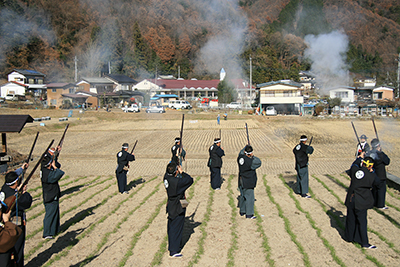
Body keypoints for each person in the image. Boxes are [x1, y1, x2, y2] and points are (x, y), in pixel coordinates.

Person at [1, 163, 32, 267]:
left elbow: (12, 176)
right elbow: (27, 202)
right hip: (15, 225)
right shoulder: (13, 197)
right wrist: (24, 192)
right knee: (18, 250)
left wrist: (21, 169)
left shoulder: (4, 188)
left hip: (6, 226)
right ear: (15, 183)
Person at [344, 156, 379, 249]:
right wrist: (373, 171)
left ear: (362, 163)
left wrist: (359, 158)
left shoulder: (354, 170)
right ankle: (364, 242)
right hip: (362, 201)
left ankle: (349, 237)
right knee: (362, 222)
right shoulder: (371, 175)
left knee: (350, 219)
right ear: (370, 166)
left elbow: (354, 164)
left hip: (351, 199)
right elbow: (377, 182)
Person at [163, 162, 193, 258]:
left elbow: (169, 170)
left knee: (172, 226)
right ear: (175, 172)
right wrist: (182, 172)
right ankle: (174, 250)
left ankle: (174, 245)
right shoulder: (177, 182)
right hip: (177, 205)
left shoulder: (166, 177)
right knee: (176, 227)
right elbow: (190, 180)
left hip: (171, 204)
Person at [41, 147, 65, 239]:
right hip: (50, 195)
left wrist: (55, 156)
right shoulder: (48, 174)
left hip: (52, 194)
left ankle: (54, 230)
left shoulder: (45, 170)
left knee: (54, 213)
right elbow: (60, 172)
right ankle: (47, 232)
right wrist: (54, 166)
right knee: (50, 214)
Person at [237, 145, 262, 219]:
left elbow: (240, 152)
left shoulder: (240, 157)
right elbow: (259, 162)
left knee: (243, 196)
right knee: (250, 198)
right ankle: (249, 214)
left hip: (241, 180)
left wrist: (245, 147)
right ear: (250, 153)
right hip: (248, 181)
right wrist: (252, 156)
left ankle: (242, 211)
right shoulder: (251, 161)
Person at [366, 138, 390, 209]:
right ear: (378, 146)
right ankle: (380, 205)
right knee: (381, 191)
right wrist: (381, 152)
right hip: (381, 176)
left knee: (374, 189)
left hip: (372, 175)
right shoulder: (380, 154)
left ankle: (373, 203)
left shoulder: (370, 153)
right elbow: (387, 161)